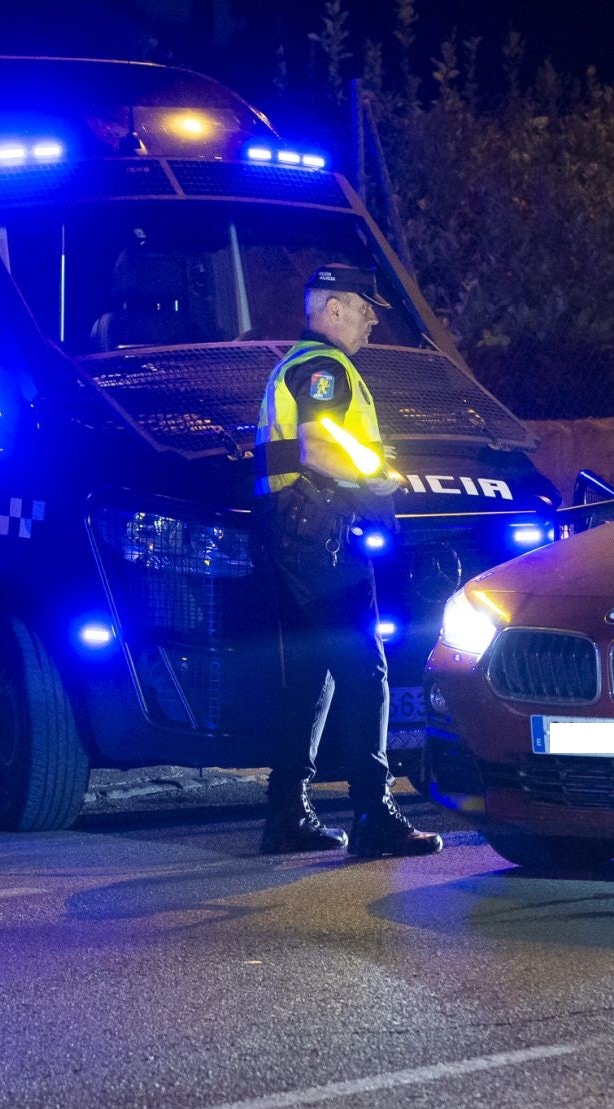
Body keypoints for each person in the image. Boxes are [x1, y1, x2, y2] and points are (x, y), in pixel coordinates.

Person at [251, 264, 443, 858]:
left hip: (293, 532)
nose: (374, 318)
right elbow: (319, 446)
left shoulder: (301, 363)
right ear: (332, 310)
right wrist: (381, 480)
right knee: (367, 671)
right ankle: (373, 813)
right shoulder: (324, 367)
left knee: (311, 678)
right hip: (319, 535)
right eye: (365, 307)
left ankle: (286, 813)